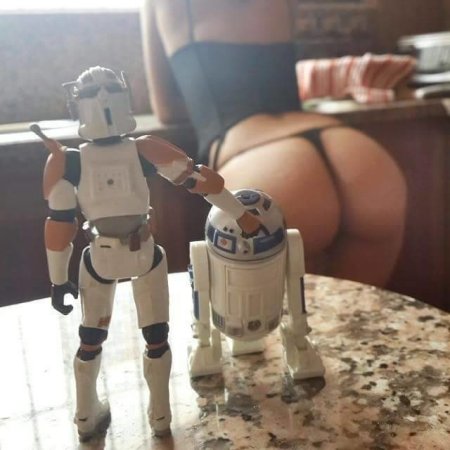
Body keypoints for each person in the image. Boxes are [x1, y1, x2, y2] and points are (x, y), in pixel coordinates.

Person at [38, 66, 260, 441]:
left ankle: (90, 415)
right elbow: (200, 182)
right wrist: (242, 215)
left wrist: (58, 280)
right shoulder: (138, 151)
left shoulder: (70, 162)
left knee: (94, 338)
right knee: (152, 337)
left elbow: (60, 226)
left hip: (102, 257)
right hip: (142, 255)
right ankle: (156, 415)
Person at [141, 0, 407, 287]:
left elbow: (166, 110)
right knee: (358, 310)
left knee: (276, 315)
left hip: (266, 162)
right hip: (355, 155)